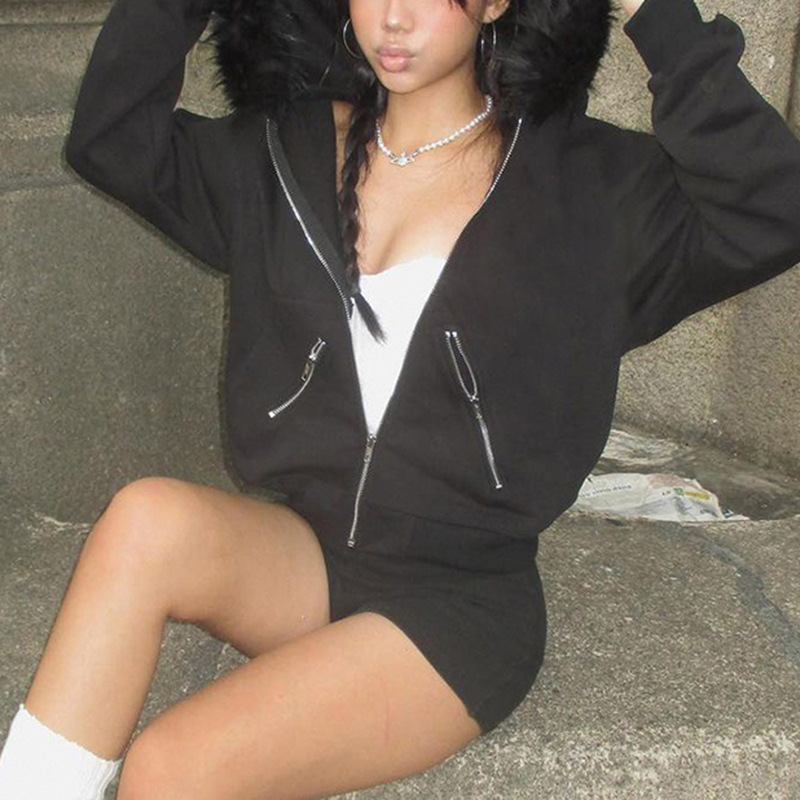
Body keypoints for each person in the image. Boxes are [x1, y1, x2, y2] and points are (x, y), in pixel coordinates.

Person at [3, 0, 800, 796]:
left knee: (175, 766)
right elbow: (112, 139)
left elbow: (774, 206)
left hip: (457, 608)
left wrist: (657, 14)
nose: (392, 17)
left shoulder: (588, 187)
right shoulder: (284, 151)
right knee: (144, 519)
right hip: (308, 557)